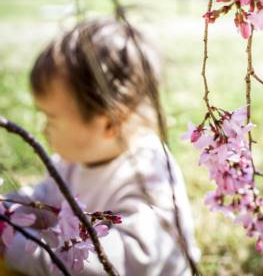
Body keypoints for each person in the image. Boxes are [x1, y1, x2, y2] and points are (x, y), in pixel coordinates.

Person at [3, 18, 200, 276]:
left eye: (51, 118)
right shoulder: (73, 160)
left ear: (110, 123)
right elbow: (43, 199)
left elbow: (116, 265)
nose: (43, 129)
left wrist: (12, 245)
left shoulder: (147, 177)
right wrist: (8, 210)